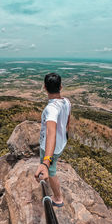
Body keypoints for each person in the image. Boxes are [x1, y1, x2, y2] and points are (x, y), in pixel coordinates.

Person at [34, 72, 71, 207]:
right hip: (60, 144)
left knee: (51, 172)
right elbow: (67, 120)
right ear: (60, 87)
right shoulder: (66, 102)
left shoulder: (51, 109)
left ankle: (58, 198)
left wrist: (46, 162)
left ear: (44, 87)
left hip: (50, 148)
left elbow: (51, 132)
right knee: (51, 168)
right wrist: (65, 135)